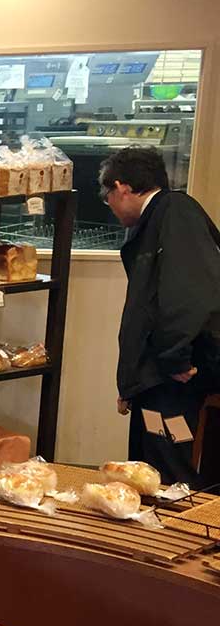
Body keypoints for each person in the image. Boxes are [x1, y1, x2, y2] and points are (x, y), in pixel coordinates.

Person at [106, 145, 220, 485]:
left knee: (169, 470)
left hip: (175, 377)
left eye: (106, 195)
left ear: (121, 188)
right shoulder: (159, 218)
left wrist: (175, 359)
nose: (108, 204)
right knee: (148, 468)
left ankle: (178, 520)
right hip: (158, 374)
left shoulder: (175, 212)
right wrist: (131, 380)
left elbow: (188, 292)